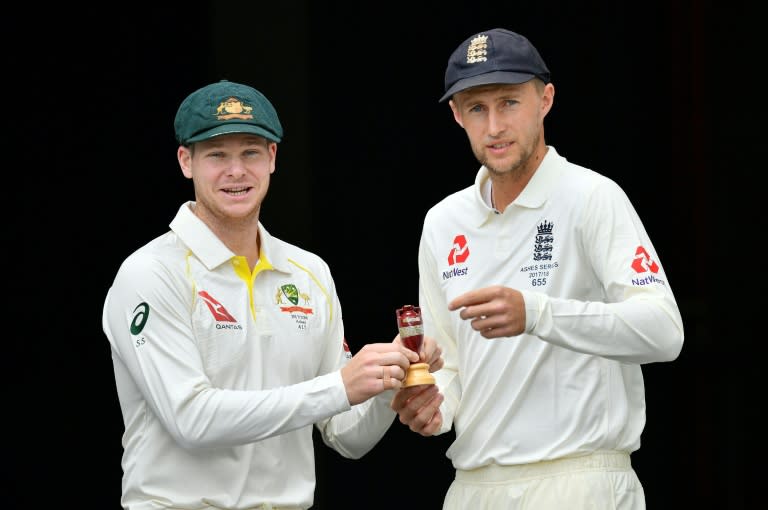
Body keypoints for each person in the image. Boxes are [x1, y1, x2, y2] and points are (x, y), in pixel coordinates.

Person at [101, 79, 443, 510]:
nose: (236, 171)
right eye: (216, 155)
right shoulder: (150, 272)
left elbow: (346, 437)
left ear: (273, 158)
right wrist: (340, 386)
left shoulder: (309, 273)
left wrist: (388, 382)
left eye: (250, 152)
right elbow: (191, 419)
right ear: (185, 161)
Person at [390, 28, 684, 509]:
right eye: (477, 108)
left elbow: (665, 332)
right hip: (473, 486)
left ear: (545, 99)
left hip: (580, 478)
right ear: (456, 114)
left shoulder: (592, 197)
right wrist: (434, 407)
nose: (494, 127)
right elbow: (451, 363)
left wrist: (537, 314)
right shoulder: (443, 222)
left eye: (509, 102)